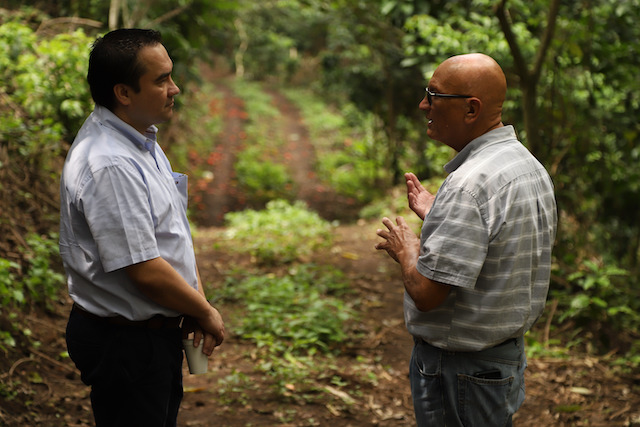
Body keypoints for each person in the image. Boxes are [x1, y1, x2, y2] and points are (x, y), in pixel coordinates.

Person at [375, 53, 557, 426]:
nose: (424, 104)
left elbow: (427, 295)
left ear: (471, 110)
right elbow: (499, 240)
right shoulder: (524, 165)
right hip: (501, 360)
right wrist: (442, 217)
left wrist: (407, 248)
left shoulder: (470, 184)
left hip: (460, 371)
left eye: (434, 95)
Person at [59, 28, 225, 426]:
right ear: (124, 93)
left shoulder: (139, 139)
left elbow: (172, 234)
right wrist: (205, 310)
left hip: (149, 335)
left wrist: (191, 299)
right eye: (162, 79)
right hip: (127, 343)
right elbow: (144, 269)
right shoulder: (110, 162)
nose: (175, 89)